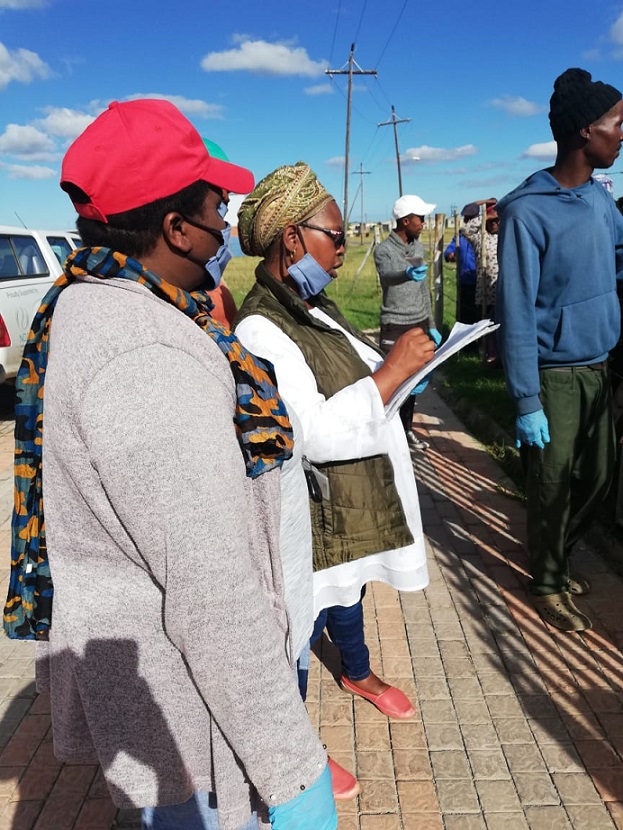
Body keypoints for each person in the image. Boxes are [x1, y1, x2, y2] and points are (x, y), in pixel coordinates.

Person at [4, 100, 337, 830]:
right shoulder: (147, 358)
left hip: (173, 701)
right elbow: (211, 592)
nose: (226, 226)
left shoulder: (95, 301)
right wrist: (291, 772)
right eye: (217, 207)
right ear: (176, 228)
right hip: (191, 721)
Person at [234, 161, 435, 794]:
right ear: (292, 239)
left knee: (350, 592)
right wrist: (390, 374)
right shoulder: (262, 326)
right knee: (299, 627)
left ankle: (357, 671)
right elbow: (309, 431)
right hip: (310, 509)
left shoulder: (312, 306)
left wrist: (403, 368)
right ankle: (295, 751)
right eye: (334, 234)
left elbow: (354, 371)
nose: (343, 247)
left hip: (349, 503)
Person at [496, 68, 623, 632]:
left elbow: (615, 263)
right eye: (618, 125)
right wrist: (527, 400)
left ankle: (559, 553)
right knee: (551, 482)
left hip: (599, 366)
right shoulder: (528, 211)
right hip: (554, 376)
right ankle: (547, 580)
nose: (622, 136)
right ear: (583, 131)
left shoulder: (600, 201)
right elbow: (516, 310)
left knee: (599, 476)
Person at [374, 194, 442, 450]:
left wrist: (432, 324)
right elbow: (387, 276)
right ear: (405, 221)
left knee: (415, 382)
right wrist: (406, 273)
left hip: (419, 321)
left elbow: (423, 287)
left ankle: (406, 429)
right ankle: (389, 434)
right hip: (395, 323)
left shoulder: (418, 248)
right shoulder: (384, 250)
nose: (423, 223)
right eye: (420, 218)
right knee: (394, 382)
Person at [463, 199, 499, 364]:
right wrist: (486, 212)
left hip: (502, 290)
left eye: (497, 221)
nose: (494, 224)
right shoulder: (480, 238)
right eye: (491, 221)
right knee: (486, 325)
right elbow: (464, 228)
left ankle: (500, 356)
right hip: (485, 293)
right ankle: (487, 355)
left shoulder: (505, 236)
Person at [444, 202, 479, 326]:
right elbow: (450, 249)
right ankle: (467, 343)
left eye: (470, 218)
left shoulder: (482, 233)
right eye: (466, 218)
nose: (467, 220)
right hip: (464, 281)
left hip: (480, 283)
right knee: (465, 315)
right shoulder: (461, 235)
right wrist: (450, 255)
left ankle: (481, 343)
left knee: (480, 315)